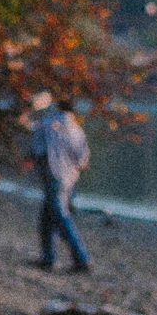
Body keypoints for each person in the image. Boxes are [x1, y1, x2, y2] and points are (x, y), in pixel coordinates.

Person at [27, 94, 92, 273]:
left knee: (61, 218)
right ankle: (48, 258)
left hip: (53, 177)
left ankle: (81, 258)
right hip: (69, 179)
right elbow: (83, 160)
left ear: (57, 107)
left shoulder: (47, 125)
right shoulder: (76, 129)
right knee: (46, 219)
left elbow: (38, 151)